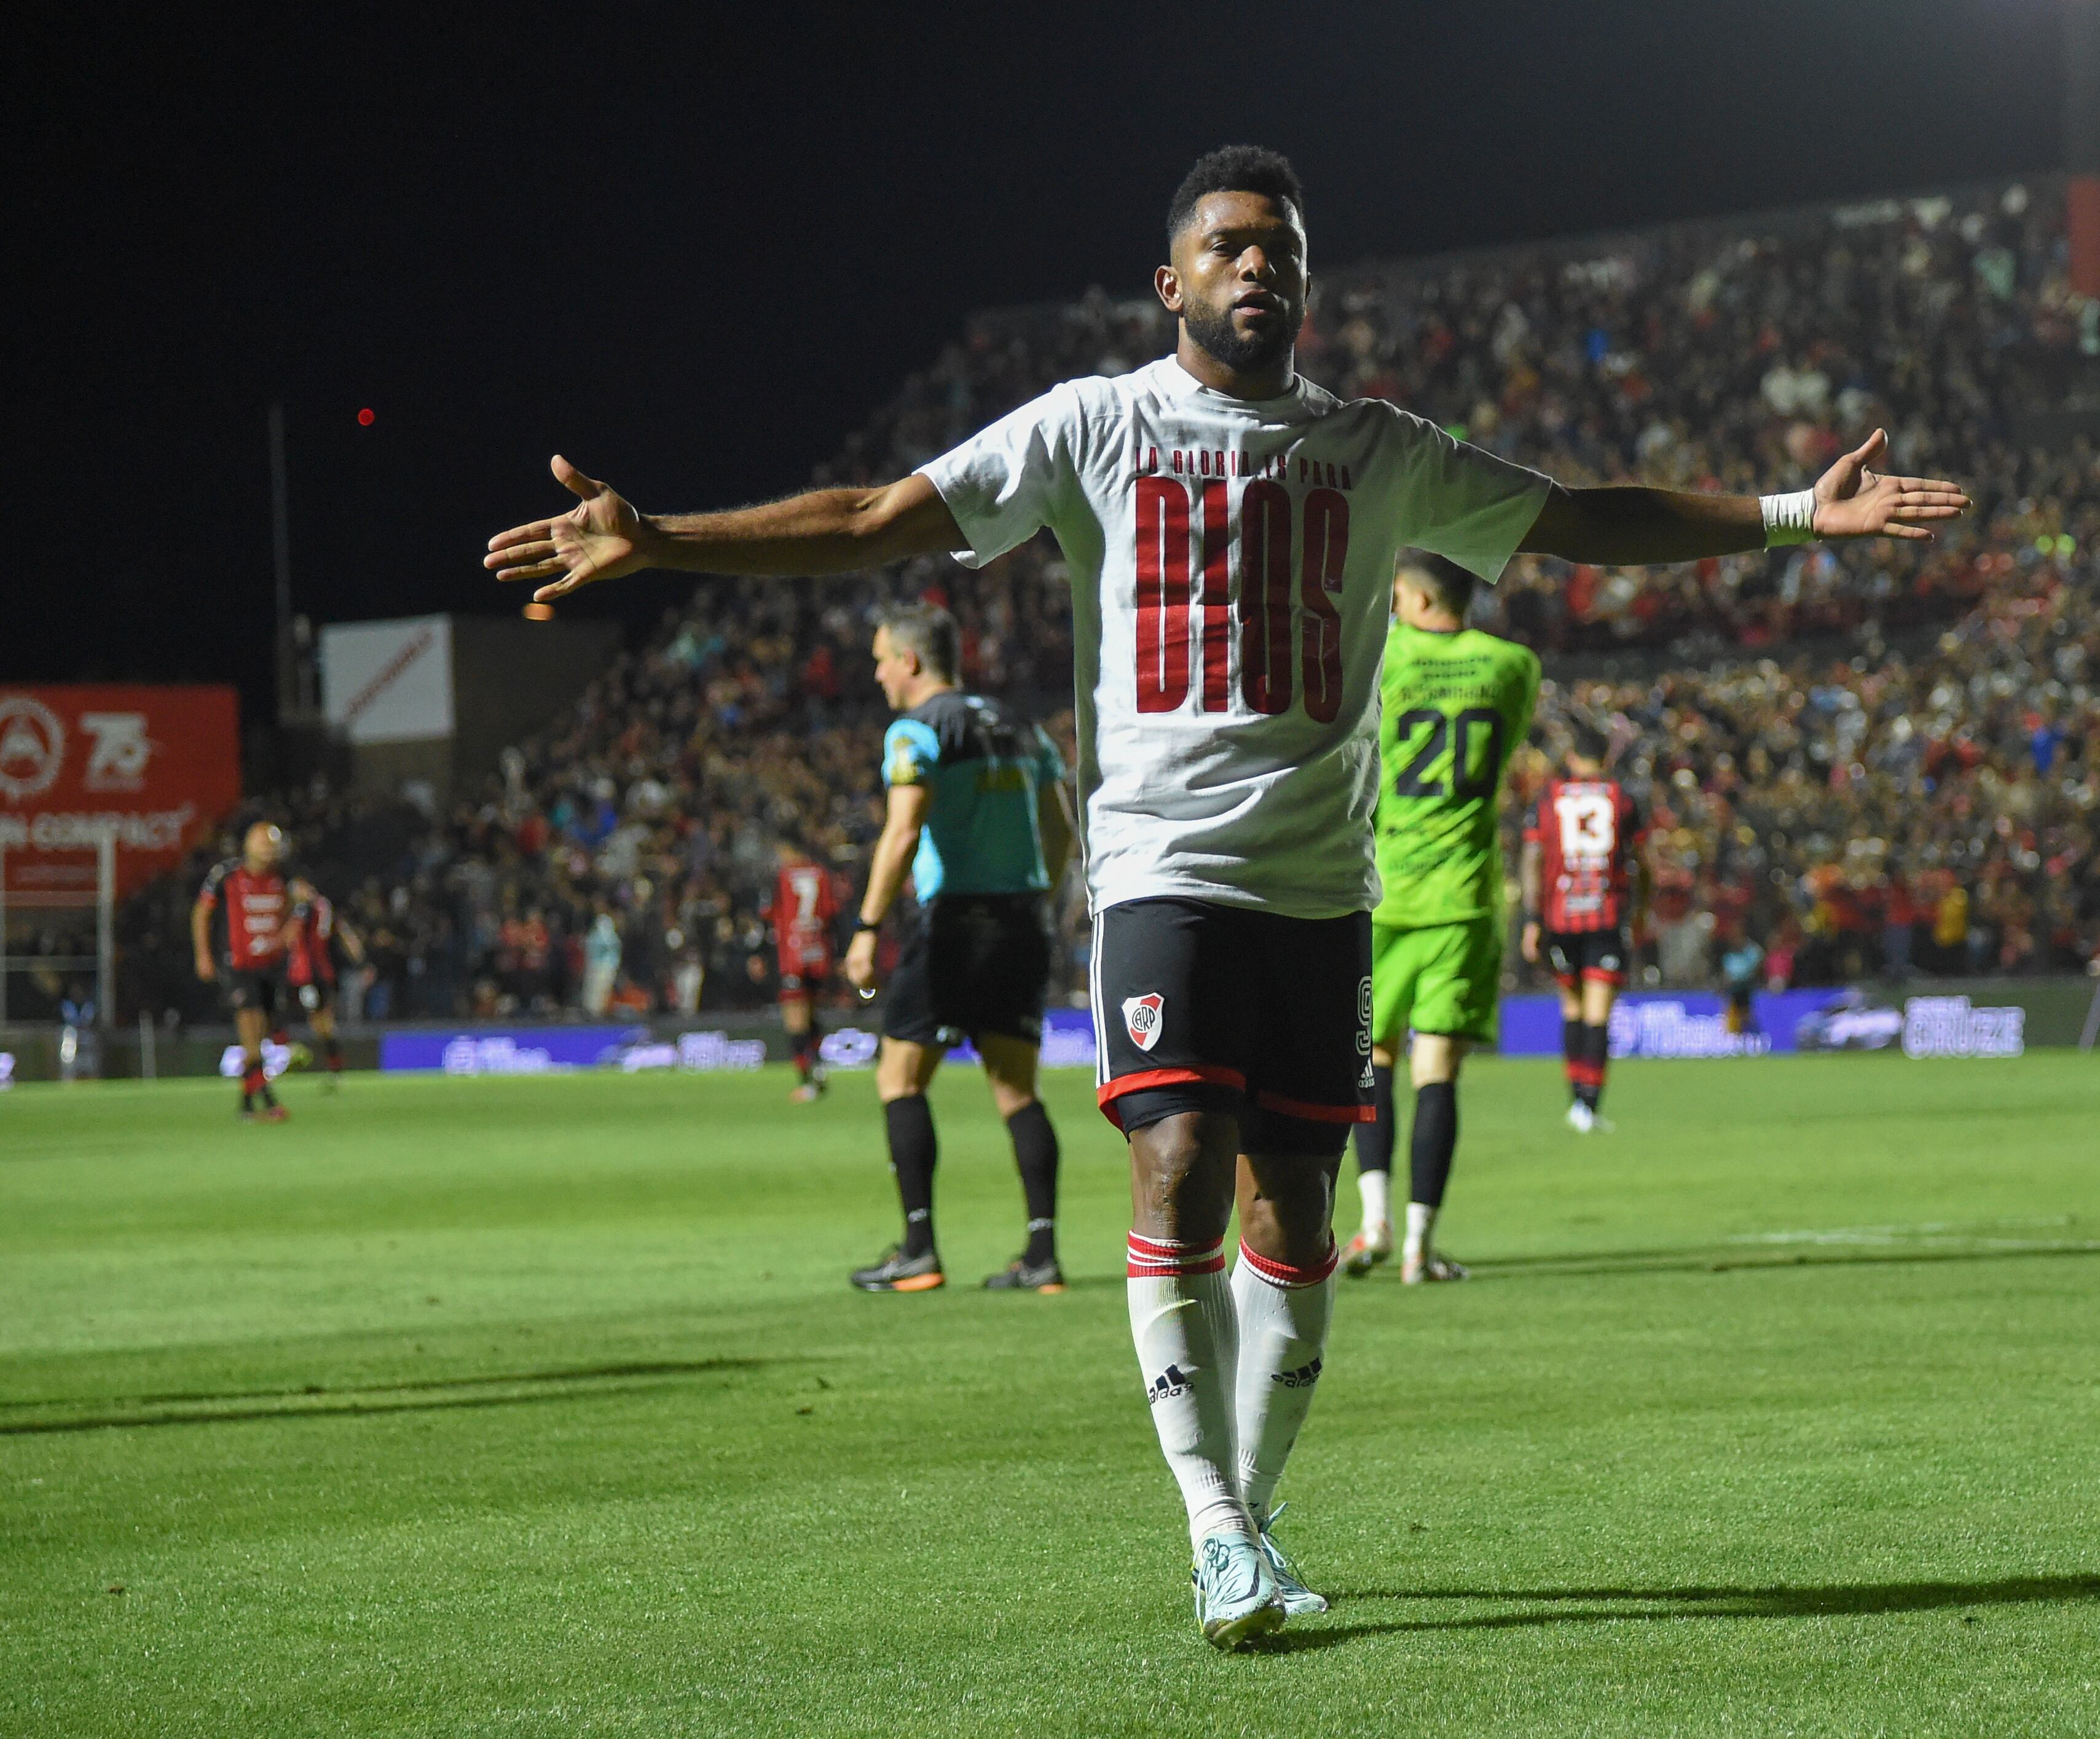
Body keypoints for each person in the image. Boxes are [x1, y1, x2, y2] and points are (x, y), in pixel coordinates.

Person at [482, 144, 1966, 1649]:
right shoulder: (1094, 426)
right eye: (1231, 246)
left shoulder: (1381, 448)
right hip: (1161, 870)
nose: (1260, 267)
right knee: (1179, 1152)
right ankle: (1210, 1523)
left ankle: (1248, 1521)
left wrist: (1791, 514)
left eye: (1284, 251)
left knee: (1300, 1206)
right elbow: (877, 515)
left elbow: (1584, 516)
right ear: (1171, 280)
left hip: (1324, 887)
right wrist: (660, 538)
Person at [841, 603, 1074, 1295]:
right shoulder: (1020, 725)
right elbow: (1060, 830)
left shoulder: (915, 731)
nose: (879, 673)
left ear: (910, 661)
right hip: (1022, 924)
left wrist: (867, 927)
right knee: (1016, 1090)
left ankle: (918, 1251)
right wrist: (1037, 898)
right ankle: (1043, 1258)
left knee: (899, 1079)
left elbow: (904, 830)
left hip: (953, 929)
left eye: (883, 658)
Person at [1344, 551, 1538, 1285]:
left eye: (1395, 597)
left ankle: (1372, 1224)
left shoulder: (1384, 656)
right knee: (1438, 1069)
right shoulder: (1511, 664)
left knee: (1375, 1058)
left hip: (1384, 889)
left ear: (1419, 598)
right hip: (1463, 897)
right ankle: (1422, 1249)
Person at [1520, 731, 1651, 1131]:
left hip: (1560, 917)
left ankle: (1577, 1102)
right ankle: (1589, 1106)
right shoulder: (1622, 798)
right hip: (1605, 915)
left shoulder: (1549, 796)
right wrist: (1641, 909)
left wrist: (1530, 920)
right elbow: (1642, 862)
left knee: (1573, 1007)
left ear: (1573, 757)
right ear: (1606, 756)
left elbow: (1532, 859)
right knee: (1597, 1012)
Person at [192, 822, 294, 1121]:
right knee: (250, 1027)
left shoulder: (282, 877)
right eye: (263, 843)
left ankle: (247, 1105)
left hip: (270, 967)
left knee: (258, 1035)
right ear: (248, 846)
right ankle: (269, 1100)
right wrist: (203, 955)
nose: (269, 849)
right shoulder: (226, 876)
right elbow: (201, 913)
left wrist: (285, 938)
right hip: (238, 965)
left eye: (272, 844)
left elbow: (291, 909)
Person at [771, 838, 840, 1102]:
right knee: (811, 1015)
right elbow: (832, 913)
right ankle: (820, 1072)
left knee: (795, 1022)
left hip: (793, 957)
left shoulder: (784, 877)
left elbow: (769, 912)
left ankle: (807, 1083)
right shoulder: (821, 874)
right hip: (818, 955)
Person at [284, 878, 366, 1089]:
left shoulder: (305, 908)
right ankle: (330, 1066)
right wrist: (358, 956)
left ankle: (322, 1062)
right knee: (321, 1020)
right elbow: (343, 931)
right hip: (323, 972)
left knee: (320, 1023)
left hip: (306, 974)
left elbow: (290, 936)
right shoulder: (324, 905)